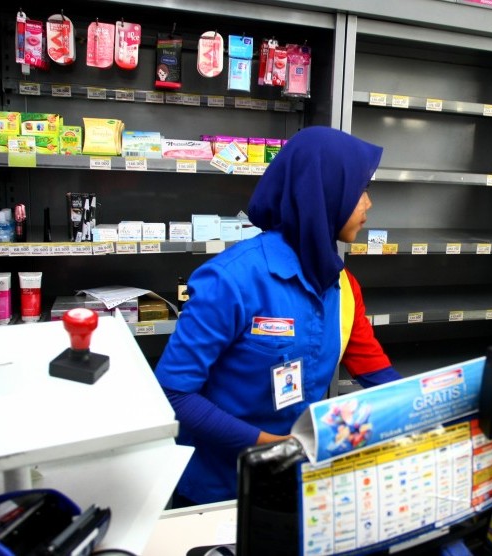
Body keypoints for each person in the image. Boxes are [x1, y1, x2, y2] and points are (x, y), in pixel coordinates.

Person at [155, 126, 403, 506]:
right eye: (360, 190)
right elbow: (174, 392)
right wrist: (275, 448)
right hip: (219, 491)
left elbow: (378, 375)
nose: (368, 204)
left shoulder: (341, 286)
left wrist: (433, 412)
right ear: (324, 193)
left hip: (296, 483)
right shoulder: (232, 280)